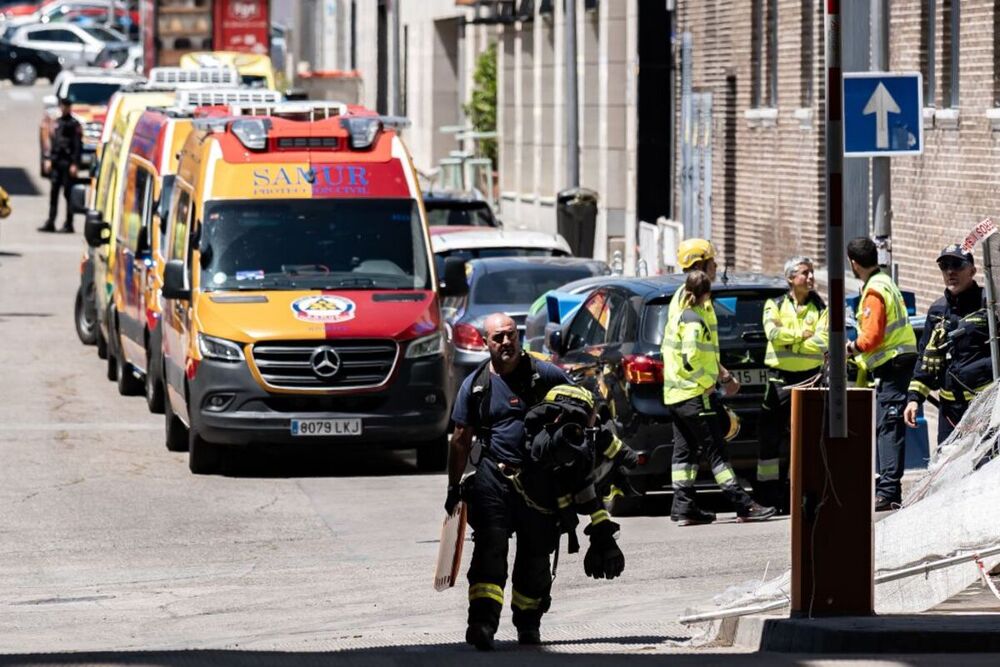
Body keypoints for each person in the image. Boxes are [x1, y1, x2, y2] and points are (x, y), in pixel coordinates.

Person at [445, 313, 578, 650]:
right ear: (486, 343)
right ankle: (482, 625)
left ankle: (528, 625)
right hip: (493, 478)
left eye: (510, 335)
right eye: (498, 338)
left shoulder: (544, 373)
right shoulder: (475, 385)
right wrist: (452, 487)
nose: (506, 342)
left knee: (535, 557)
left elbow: (583, 404)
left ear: (518, 337)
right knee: (490, 551)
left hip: (539, 480)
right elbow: (461, 438)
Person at [662, 268, 776, 526]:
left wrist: (722, 376)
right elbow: (691, 358)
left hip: (676, 396)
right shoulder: (693, 320)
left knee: (684, 453)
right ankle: (743, 505)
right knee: (718, 452)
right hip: (695, 395)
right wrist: (708, 384)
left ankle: (684, 506)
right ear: (707, 294)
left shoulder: (677, 314)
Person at [845, 237, 918, 512]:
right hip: (899, 360)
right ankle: (889, 489)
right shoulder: (885, 281)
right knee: (890, 424)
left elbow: (871, 337)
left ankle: (888, 492)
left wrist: (850, 349)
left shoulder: (874, 290)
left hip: (893, 363)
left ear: (853, 263)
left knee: (888, 426)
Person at [756, 256, 828, 511]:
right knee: (771, 439)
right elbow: (772, 335)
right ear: (790, 278)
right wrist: (801, 336)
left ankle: (803, 493)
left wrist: (792, 343)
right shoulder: (773, 305)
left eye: (811, 273)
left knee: (808, 438)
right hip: (779, 380)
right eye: (804, 273)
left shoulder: (820, 306)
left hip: (810, 380)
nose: (810, 278)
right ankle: (768, 496)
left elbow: (822, 342)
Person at [904, 244, 993, 444]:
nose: (950, 271)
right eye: (944, 266)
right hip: (950, 412)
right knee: (946, 466)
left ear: (972, 270)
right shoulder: (937, 311)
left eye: (957, 265)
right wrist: (913, 399)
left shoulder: (989, 305)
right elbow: (924, 360)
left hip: (986, 406)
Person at [39, 97, 82, 234]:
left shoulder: (74, 124)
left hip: (68, 163)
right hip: (57, 162)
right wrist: (48, 159)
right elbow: (54, 143)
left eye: (66, 106)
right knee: (54, 193)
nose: (63, 109)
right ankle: (51, 221)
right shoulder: (57, 123)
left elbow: (77, 146)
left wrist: (75, 164)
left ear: (70, 107)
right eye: (62, 106)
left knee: (68, 194)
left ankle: (69, 224)